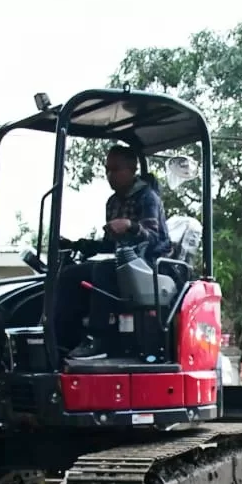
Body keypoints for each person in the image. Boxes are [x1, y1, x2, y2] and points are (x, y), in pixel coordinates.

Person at [57, 145, 172, 360]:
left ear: (131, 169)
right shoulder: (112, 202)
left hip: (148, 262)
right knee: (70, 274)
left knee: (103, 270)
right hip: (122, 261)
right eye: (107, 169)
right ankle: (64, 338)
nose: (110, 175)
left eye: (116, 169)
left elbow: (157, 238)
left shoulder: (147, 197)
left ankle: (97, 339)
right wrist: (79, 244)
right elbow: (110, 245)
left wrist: (130, 225)